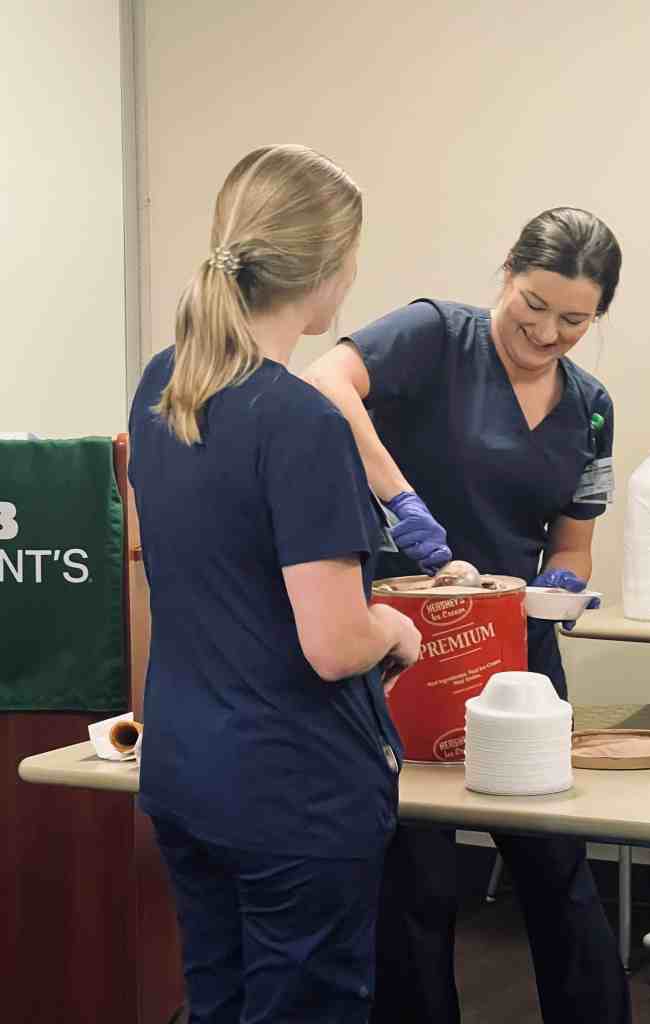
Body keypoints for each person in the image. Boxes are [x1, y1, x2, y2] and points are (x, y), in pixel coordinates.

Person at [304, 207, 631, 1023]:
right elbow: (322, 384)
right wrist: (400, 500)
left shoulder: (590, 406)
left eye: (574, 320)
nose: (548, 331)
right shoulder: (431, 338)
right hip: (406, 647)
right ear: (507, 273)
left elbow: (574, 541)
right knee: (415, 876)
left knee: (556, 866)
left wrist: (562, 581)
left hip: (517, 656)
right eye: (534, 303)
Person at [128, 144, 422, 1024]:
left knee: (217, 1002)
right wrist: (394, 629)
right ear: (329, 270)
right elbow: (333, 645)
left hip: (187, 773)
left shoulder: (163, 385)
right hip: (291, 796)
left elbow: (166, 556)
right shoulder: (301, 421)